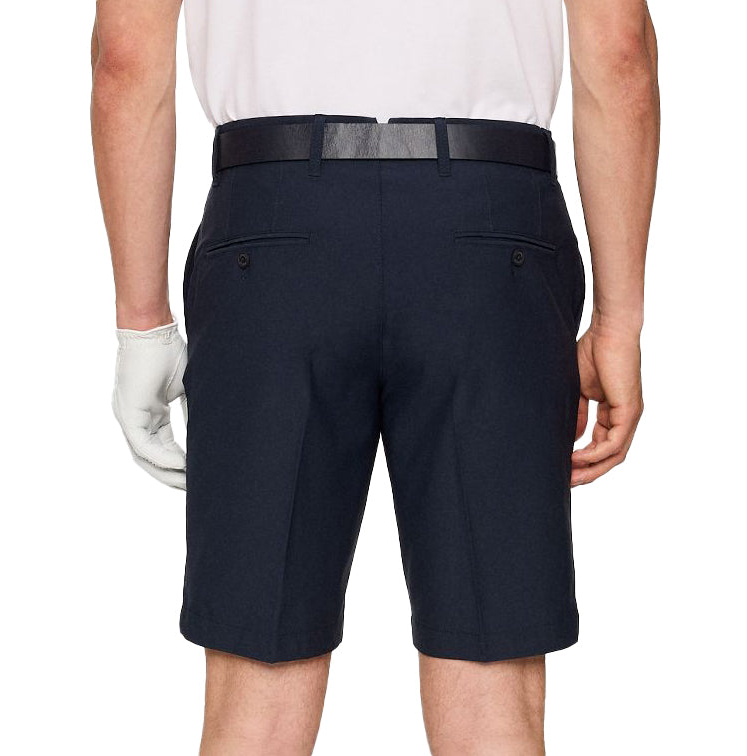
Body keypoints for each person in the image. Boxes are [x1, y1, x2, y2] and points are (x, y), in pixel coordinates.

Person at [91, 0, 659, 752]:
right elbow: (620, 54)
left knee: (256, 689)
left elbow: (126, 61)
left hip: (274, 230)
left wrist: (142, 322)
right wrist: (619, 321)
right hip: (491, 234)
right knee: (491, 682)